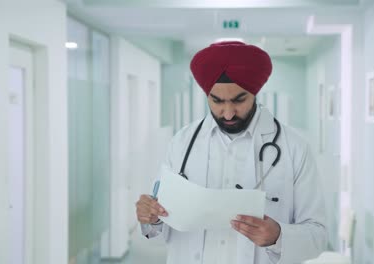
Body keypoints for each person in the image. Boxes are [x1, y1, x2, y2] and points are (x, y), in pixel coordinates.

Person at [135, 41, 327, 264]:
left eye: (239, 100)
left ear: (254, 93)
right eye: (217, 101)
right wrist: (150, 216)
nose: (227, 113)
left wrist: (278, 236)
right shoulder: (181, 143)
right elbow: (159, 229)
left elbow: (318, 236)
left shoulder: (294, 148)